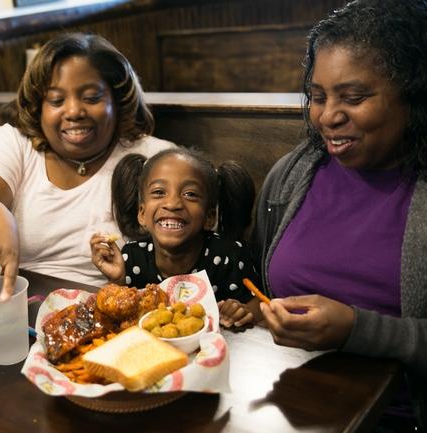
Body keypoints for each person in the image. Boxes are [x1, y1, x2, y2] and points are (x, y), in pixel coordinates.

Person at [251, 0, 427, 431]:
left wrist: (357, 329)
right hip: (285, 407)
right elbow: (261, 287)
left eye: (354, 97)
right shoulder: (291, 176)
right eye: (317, 96)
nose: (328, 117)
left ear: (413, 93)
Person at [0, 33, 175, 312]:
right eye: (56, 100)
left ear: (118, 99)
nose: (74, 111)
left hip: (116, 317)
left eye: (91, 97)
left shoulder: (156, 159)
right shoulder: (14, 143)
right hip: (10, 313)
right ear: (38, 106)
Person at [91, 148, 261, 328]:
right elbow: (117, 317)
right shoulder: (132, 256)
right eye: (158, 192)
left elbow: (260, 304)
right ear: (142, 213)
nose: (172, 204)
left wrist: (241, 311)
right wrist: (117, 280)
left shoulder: (229, 255)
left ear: (209, 217)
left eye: (190, 194)